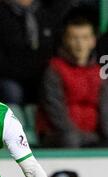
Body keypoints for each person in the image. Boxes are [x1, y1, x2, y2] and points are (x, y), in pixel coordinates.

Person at [0, 0, 76, 105]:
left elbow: (53, 49)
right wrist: (21, 72)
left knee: (59, 86)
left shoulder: (45, 12)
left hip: (40, 74)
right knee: (13, 92)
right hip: (7, 76)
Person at [38, 15, 108, 148]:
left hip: (93, 135)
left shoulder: (99, 72)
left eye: (85, 38)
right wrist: (76, 134)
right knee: (70, 138)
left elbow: (105, 109)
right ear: (65, 40)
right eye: (74, 38)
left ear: (93, 41)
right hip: (59, 135)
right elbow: (55, 111)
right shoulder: (54, 69)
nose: (80, 43)